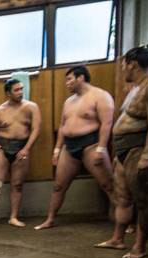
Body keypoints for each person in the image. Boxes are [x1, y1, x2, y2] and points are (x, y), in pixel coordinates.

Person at [96, 44, 148, 258]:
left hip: (142, 148)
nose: (123, 70)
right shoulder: (137, 87)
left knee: (144, 199)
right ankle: (117, 239)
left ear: (132, 65)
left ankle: (139, 246)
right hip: (126, 147)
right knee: (122, 196)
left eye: (124, 66)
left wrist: (147, 156)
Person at [35, 66, 115, 230]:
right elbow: (63, 127)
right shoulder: (69, 101)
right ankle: (50, 219)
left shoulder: (101, 96)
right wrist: (57, 149)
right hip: (69, 147)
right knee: (58, 187)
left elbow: (106, 124)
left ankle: (125, 221)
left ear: (80, 78)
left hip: (91, 145)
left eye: (69, 79)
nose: (67, 83)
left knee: (109, 185)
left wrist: (101, 149)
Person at [0, 79, 42, 229]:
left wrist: (26, 148)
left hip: (22, 148)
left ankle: (13, 217)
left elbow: (36, 129)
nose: (20, 92)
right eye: (16, 90)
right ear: (8, 93)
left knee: (17, 185)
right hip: (2, 149)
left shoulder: (31, 107)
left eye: (21, 89)